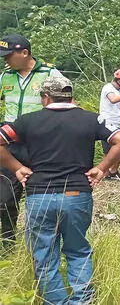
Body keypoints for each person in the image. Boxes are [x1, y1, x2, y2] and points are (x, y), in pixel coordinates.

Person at [0, 76, 120, 304]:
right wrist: (101, 169)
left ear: (45, 97)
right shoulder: (91, 119)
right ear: (71, 96)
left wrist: (18, 168)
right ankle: (81, 301)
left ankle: (57, 302)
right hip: (77, 194)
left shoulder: (28, 121)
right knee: (78, 251)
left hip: (39, 194)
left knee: (44, 256)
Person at [0, 34, 63, 247]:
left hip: (40, 145)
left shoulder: (50, 74)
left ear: (25, 53)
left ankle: (41, 242)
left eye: (9, 55)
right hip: (8, 146)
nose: (5, 60)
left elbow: (64, 106)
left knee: (41, 196)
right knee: (6, 196)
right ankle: (8, 243)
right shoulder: (5, 77)